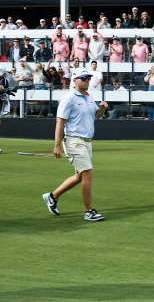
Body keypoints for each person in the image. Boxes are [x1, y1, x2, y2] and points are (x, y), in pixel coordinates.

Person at [42, 67, 108, 222]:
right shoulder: (69, 99)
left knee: (80, 175)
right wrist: (57, 145)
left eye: (88, 78)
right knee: (88, 173)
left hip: (87, 142)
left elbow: (96, 115)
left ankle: (52, 196)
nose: (87, 81)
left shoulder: (88, 97)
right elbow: (59, 123)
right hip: (73, 141)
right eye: (83, 78)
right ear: (75, 80)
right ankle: (89, 211)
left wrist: (102, 108)